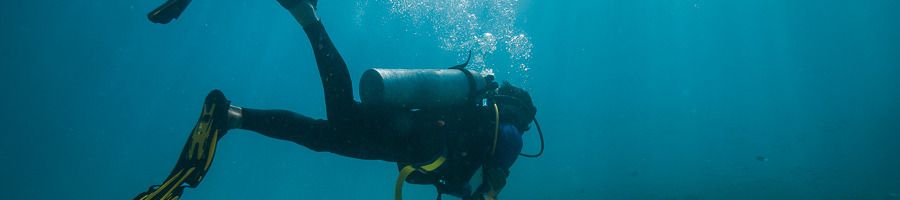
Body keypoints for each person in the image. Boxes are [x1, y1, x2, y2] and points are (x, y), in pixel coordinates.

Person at [136, 0, 542, 199]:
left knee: (325, 134)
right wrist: (491, 187)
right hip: (414, 140)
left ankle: (231, 115)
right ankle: (310, 20)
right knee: (338, 122)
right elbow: (472, 191)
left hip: (408, 127)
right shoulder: (510, 138)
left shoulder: (479, 112)